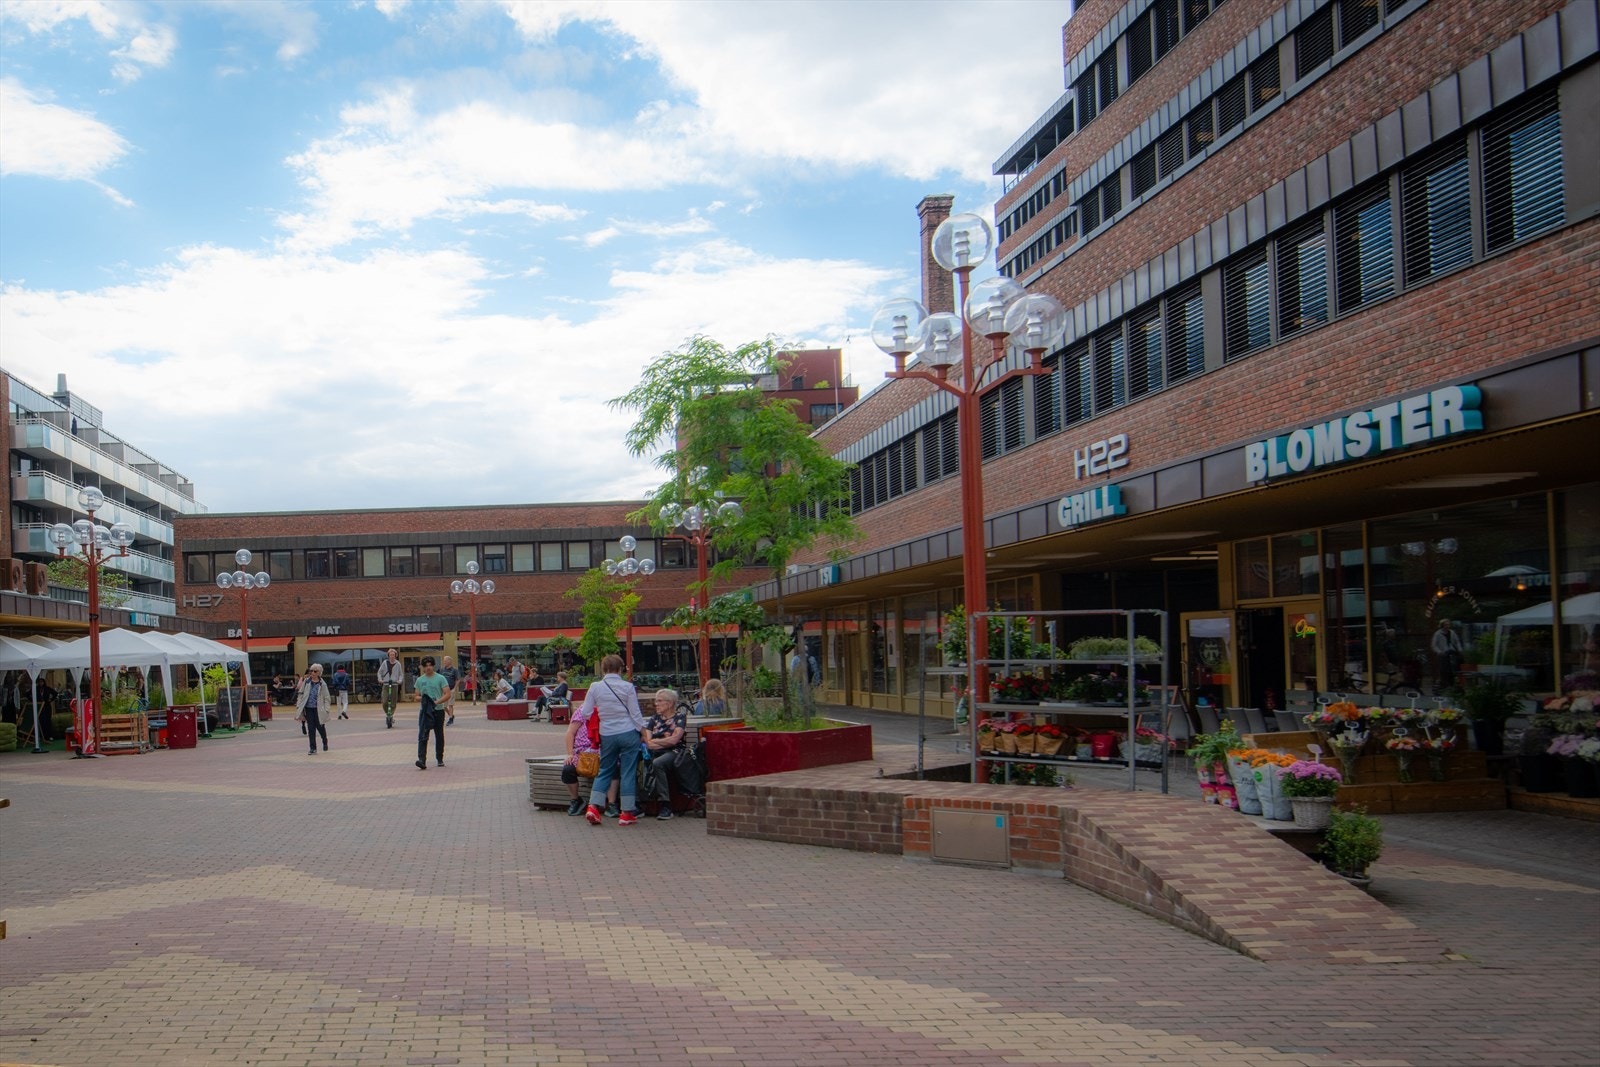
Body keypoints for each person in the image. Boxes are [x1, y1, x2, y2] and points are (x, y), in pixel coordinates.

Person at [579, 653, 648, 826]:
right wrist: (644, 731)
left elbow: (586, 712)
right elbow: (635, 713)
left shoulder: (595, 687)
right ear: (621, 669)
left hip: (607, 734)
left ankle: (593, 807)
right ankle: (626, 813)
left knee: (605, 770)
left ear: (603, 669)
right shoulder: (627, 687)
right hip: (628, 732)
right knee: (628, 772)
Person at [643, 688, 699, 820]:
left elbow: (675, 740)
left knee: (658, 763)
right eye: (656, 701)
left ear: (670, 703)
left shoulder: (680, 717)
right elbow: (648, 742)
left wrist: (656, 741)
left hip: (675, 752)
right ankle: (639, 802)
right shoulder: (653, 719)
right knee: (633, 760)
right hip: (656, 751)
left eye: (659, 701)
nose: (656, 704)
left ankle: (665, 805)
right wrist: (660, 741)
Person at [561, 691, 601, 816]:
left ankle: (609, 803)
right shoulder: (583, 711)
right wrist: (570, 754)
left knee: (613, 768)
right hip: (582, 752)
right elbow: (570, 733)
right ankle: (575, 800)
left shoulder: (608, 711)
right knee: (568, 770)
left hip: (601, 751)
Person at [413, 656, 451, 770]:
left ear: (433, 666)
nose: (428, 667)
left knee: (439, 734)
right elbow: (416, 696)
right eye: (426, 666)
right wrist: (424, 698)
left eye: (430, 665)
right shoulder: (420, 680)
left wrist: (436, 702)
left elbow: (447, 694)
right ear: (423, 668)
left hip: (438, 710)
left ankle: (439, 758)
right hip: (425, 711)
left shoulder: (440, 678)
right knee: (423, 735)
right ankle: (422, 760)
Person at [295, 665, 332, 755]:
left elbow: (327, 697)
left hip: (319, 709)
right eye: (311, 671)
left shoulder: (322, 684)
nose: (312, 673)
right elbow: (301, 693)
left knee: (320, 727)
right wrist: (299, 703)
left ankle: (324, 740)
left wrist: (326, 709)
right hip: (309, 708)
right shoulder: (307, 682)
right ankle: (313, 748)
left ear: (319, 672)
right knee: (311, 728)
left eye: (315, 671)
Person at [1432, 619, 1465, 688]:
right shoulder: (1438, 634)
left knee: (1454, 668)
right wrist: (1439, 652)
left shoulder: (1452, 632)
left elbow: (1457, 641)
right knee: (1444, 669)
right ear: (1442, 625)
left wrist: (1460, 650)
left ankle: (1454, 682)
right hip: (1443, 653)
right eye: (1446, 625)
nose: (1447, 626)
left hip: (1452, 651)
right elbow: (1434, 645)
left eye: (1448, 624)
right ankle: (1445, 683)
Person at [377, 648, 404, 729]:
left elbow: (400, 674)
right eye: (390, 655)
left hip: (394, 684)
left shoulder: (398, 663)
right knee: (385, 701)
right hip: (386, 684)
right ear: (388, 655)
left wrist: (399, 681)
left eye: (393, 655)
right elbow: (379, 672)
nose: (392, 656)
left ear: (395, 655)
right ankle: (388, 714)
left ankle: (391, 715)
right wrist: (380, 679)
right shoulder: (385, 663)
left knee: (393, 701)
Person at [440, 655, 460, 726]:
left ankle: (451, 719)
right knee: (443, 706)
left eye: (446, 661)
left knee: (450, 704)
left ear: (450, 661)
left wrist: (454, 688)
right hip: (444, 690)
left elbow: (458, 680)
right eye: (444, 661)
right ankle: (451, 715)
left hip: (451, 689)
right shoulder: (442, 670)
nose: (444, 662)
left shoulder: (454, 670)